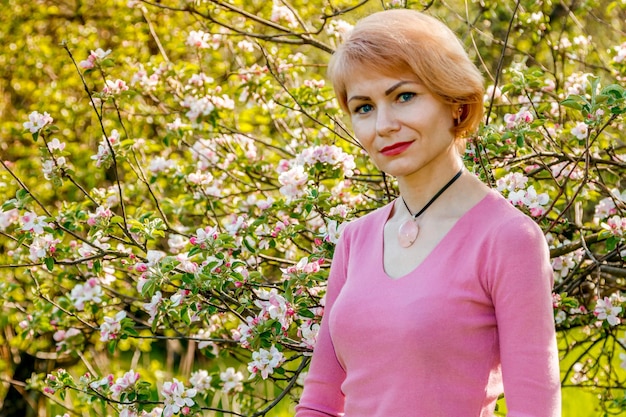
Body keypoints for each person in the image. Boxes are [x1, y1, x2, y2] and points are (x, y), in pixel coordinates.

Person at [295, 8, 561, 417]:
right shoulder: (355, 239)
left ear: (455, 102)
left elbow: (535, 409)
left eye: (404, 96)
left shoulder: (508, 238)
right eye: (363, 107)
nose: (383, 125)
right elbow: (319, 404)